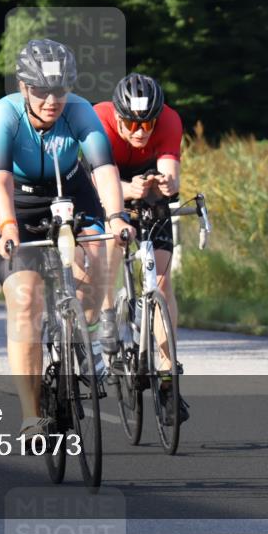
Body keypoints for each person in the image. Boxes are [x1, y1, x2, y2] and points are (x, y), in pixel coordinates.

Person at [0, 39, 134, 437]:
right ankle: (32, 416)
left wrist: (117, 217)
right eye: (41, 91)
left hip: (70, 190)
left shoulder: (81, 111)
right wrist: (9, 228)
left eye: (61, 90)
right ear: (23, 87)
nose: (52, 100)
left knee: (97, 269)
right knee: (25, 304)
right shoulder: (4, 114)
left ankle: (80, 339)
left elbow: (103, 169)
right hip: (19, 204)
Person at [93, 73, 189, 422]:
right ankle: (107, 315)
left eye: (147, 123)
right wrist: (125, 192)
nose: (139, 131)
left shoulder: (169, 120)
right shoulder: (97, 119)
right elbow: (96, 178)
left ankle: (166, 380)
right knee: (111, 245)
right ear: (117, 115)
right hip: (109, 183)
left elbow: (173, 175)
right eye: (131, 123)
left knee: (162, 284)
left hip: (146, 188)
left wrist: (163, 184)